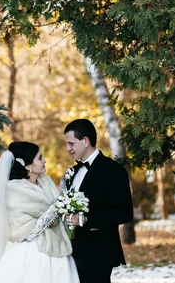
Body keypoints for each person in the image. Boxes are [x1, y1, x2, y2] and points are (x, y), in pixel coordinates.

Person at [0, 141, 79, 283]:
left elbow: (56, 206)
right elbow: (27, 231)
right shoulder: (15, 189)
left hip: (57, 246)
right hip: (35, 252)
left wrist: (64, 187)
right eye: (39, 158)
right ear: (27, 166)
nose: (44, 160)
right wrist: (58, 207)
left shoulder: (44, 181)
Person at [61, 119, 133, 283]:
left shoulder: (113, 170)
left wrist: (85, 220)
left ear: (85, 141)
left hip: (99, 251)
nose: (68, 149)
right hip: (72, 251)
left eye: (71, 143)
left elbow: (124, 213)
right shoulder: (72, 172)